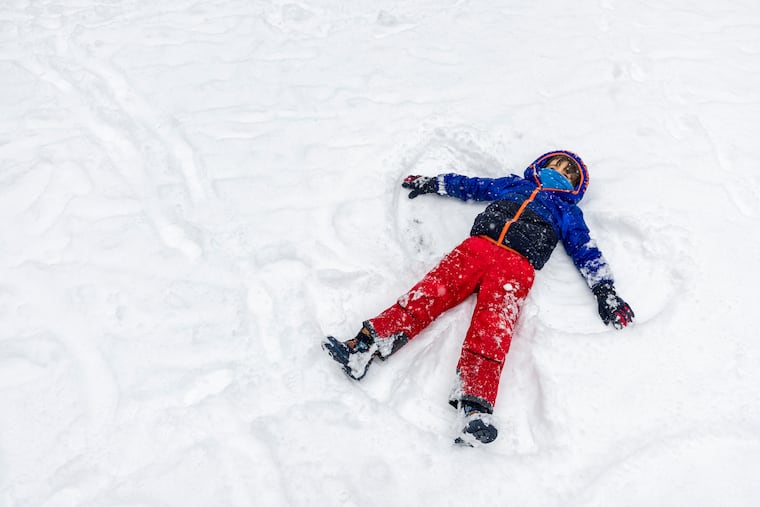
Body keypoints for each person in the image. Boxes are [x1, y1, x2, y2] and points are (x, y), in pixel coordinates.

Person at [322, 150, 634, 446]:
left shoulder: (568, 212)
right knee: (427, 293)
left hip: (516, 268)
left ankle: (475, 409)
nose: (561, 173)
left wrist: (605, 291)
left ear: (577, 188)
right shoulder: (514, 184)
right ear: (540, 165)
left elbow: (585, 250)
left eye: (570, 173)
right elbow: (473, 186)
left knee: (493, 329)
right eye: (557, 164)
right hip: (476, 249)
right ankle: (363, 347)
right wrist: (435, 183)